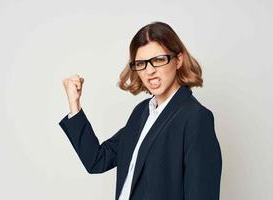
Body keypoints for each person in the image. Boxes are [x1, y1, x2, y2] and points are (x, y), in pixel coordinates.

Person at [58, 21, 222, 200]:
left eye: (159, 60)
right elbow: (97, 160)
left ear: (178, 60)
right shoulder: (142, 112)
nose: (150, 71)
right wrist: (74, 103)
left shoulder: (195, 117)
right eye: (141, 63)